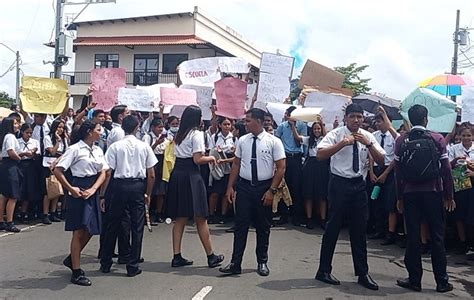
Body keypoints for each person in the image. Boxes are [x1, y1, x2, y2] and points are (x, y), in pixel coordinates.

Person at [315, 103, 385, 291]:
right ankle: (323, 270)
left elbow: (381, 160)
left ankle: (362, 273)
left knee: (359, 230)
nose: (356, 120)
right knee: (333, 228)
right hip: (339, 184)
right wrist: (341, 144)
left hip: (358, 185)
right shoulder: (336, 134)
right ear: (345, 118)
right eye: (352, 116)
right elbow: (320, 155)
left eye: (359, 117)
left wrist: (368, 144)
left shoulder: (368, 136)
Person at [394, 104, 454, 293]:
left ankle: (414, 280)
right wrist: (449, 196)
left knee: (412, 237)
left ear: (410, 120)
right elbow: (446, 170)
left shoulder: (402, 140)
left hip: (410, 195)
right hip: (433, 193)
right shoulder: (437, 139)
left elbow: (398, 173)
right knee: (437, 237)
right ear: (426, 119)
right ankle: (442, 282)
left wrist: (399, 198)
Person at [219, 108, 286, 276]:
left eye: (248, 120)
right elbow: (236, 164)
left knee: (263, 227)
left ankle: (262, 261)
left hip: (264, 188)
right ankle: (235, 263)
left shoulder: (273, 141)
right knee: (240, 226)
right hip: (244, 187)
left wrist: (271, 191)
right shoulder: (242, 140)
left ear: (259, 121)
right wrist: (230, 187)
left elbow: (281, 167)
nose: (245, 123)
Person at [165, 105, 224, 269]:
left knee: (180, 217)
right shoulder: (196, 134)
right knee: (201, 217)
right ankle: (211, 255)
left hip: (178, 173)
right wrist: (211, 157)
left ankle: (176, 255)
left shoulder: (180, 134)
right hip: (191, 175)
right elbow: (198, 159)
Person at [100, 115, 157, 277]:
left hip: (119, 186)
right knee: (137, 226)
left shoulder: (115, 146)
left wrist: (103, 194)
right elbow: (151, 174)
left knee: (113, 223)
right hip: (138, 186)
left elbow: (108, 171)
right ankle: (133, 265)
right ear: (137, 127)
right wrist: (148, 193)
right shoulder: (144, 146)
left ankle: (106, 262)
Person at [53, 120, 108, 286]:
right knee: (78, 231)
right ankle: (76, 271)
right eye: (99, 129)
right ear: (90, 132)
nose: (102, 132)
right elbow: (58, 170)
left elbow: (103, 172)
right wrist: (70, 189)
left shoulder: (98, 149)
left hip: (92, 189)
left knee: (91, 228)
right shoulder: (75, 149)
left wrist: (95, 189)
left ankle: (72, 258)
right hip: (79, 188)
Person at [368, 108, 400, 245]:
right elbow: (370, 154)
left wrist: (386, 174)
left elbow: (396, 157)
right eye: (377, 121)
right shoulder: (373, 135)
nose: (378, 124)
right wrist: (371, 172)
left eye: (380, 121)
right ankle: (378, 229)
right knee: (376, 200)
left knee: (390, 203)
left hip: (389, 171)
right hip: (376, 169)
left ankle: (390, 233)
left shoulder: (395, 137)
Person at [275, 106, 307, 225]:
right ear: (287, 115)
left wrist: (294, 126)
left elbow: (300, 142)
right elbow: (276, 141)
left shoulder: (302, 125)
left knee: (296, 187)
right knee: (283, 187)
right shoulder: (282, 126)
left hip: (297, 158)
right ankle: (284, 215)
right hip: (284, 157)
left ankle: (296, 216)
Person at [448, 124, 474, 254]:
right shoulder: (454, 148)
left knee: (471, 215)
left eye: (469, 135)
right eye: (463, 135)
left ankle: (471, 242)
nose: (466, 138)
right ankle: (462, 242)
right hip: (460, 183)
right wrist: (456, 160)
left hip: (473, 185)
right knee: (459, 214)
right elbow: (447, 165)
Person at [301, 119, 329, 229]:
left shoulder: (325, 139)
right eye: (314, 129)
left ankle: (322, 219)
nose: (316, 130)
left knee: (322, 194)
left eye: (318, 128)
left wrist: (321, 122)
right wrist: (293, 125)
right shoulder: (309, 140)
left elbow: (326, 135)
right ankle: (309, 218)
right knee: (309, 194)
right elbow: (298, 138)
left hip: (322, 166)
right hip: (311, 167)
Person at [208, 116, 235, 224]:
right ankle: (211, 214)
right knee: (214, 192)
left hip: (229, 167)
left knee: (225, 192)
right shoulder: (215, 137)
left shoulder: (234, 138)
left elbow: (237, 155)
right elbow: (210, 151)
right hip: (217, 166)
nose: (227, 126)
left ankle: (223, 215)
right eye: (224, 124)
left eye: (229, 124)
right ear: (220, 125)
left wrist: (231, 152)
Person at [42, 119, 69, 224]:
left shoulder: (64, 140)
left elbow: (65, 153)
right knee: (48, 190)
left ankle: (53, 212)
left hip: (59, 166)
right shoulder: (48, 138)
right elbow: (52, 152)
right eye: (59, 127)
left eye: (62, 127)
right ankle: (45, 213)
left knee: (57, 190)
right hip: (48, 166)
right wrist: (57, 141)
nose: (61, 130)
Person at [142, 118, 167, 224]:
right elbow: (146, 152)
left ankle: (158, 213)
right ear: (152, 127)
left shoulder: (166, 137)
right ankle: (146, 214)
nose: (160, 129)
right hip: (151, 163)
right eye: (158, 127)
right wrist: (156, 143)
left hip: (162, 163)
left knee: (161, 191)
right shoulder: (148, 137)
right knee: (149, 190)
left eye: (162, 127)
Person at [0, 117, 22, 232]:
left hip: (5, 165)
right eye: (15, 123)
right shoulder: (10, 136)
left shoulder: (6, 136)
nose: (17, 125)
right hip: (11, 166)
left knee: (4, 195)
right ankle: (9, 221)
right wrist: (19, 158)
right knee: (13, 195)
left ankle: (1, 221)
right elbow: (11, 152)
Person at [17, 123, 41, 223]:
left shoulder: (35, 142)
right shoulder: (17, 142)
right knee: (19, 188)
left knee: (28, 189)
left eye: (31, 133)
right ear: (22, 132)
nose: (29, 135)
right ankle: (16, 211)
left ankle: (24, 212)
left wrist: (34, 153)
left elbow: (38, 155)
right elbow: (15, 153)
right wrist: (24, 153)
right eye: (27, 133)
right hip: (20, 164)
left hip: (31, 165)